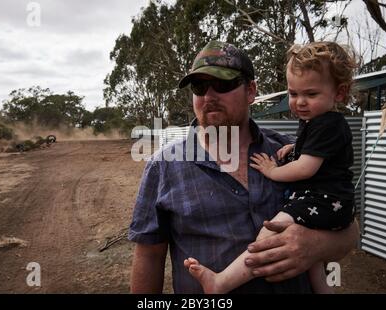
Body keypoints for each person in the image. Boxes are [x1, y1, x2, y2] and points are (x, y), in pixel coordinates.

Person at [129, 40, 359, 294]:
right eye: (199, 86)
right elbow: (149, 256)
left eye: (223, 84)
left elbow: (348, 228)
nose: (209, 96)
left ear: (251, 91)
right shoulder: (163, 166)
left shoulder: (291, 152)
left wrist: (316, 246)